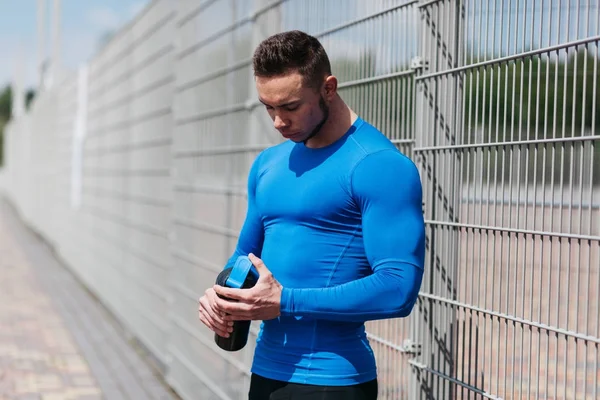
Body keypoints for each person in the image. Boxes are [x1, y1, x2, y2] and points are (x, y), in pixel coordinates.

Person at [198, 30, 425, 400]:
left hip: (332, 381)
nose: (277, 122)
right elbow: (244, 257)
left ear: (328, 88)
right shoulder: (268, 164)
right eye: (268, 107)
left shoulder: (378, 165)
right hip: (266, 372)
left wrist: (285, 302)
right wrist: (222, 296)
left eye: (290, 107)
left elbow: (398, 288)